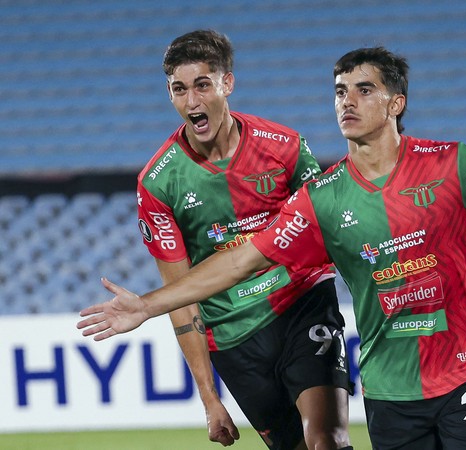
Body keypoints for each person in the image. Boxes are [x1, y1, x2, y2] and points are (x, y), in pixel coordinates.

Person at [78, 47, 466, 449]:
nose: (346, 100)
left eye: (362, 89)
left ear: (395, 102)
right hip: (390, 391)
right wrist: (151, 305)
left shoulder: (452, 165)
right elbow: (243, 258)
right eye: (339, 90)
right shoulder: (322, 198)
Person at [132, 30, 354, 450]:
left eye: (202, 85)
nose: (192, 101)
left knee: (327, 439)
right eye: (179, 89)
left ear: (226, 83)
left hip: (301, 305)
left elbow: (332, 232)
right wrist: (209, 399)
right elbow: (180, 297)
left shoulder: (285, 147)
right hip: (233, 337)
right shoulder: (158, 184)